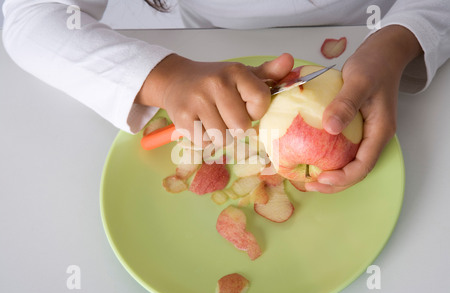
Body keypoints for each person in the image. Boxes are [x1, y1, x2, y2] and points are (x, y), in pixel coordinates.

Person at [2, 0, 450, 193]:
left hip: (370, 29)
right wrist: (163, 76)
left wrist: (397, 42)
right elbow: (29, 17)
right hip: (209, 45)